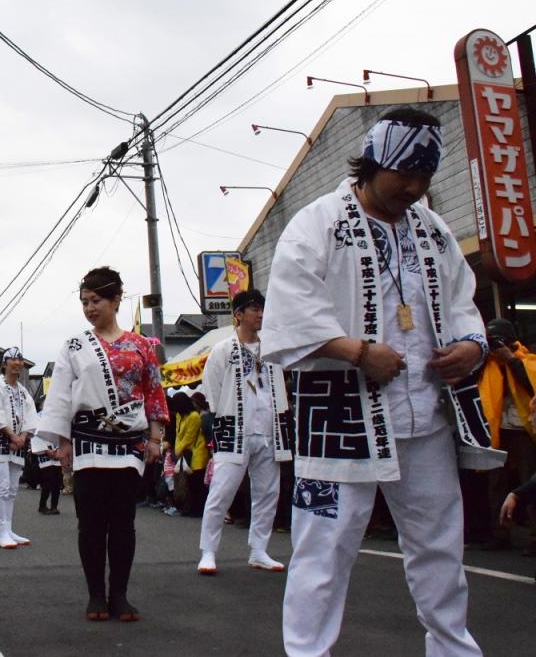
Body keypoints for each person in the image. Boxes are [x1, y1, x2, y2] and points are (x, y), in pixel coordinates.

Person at [262, 107, 502, 657]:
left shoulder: (432, 229)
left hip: (425, 416)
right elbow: (290, 313)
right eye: (403, 175)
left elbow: (464, 302)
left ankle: (452, 649)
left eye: (424, 177)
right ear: (373, 163)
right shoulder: (317, 222)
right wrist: (354, 350)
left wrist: (470, 345)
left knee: (440, 549)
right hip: (342, 415)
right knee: (323, 550)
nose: (414, 188)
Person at [37, 266, 168, 622]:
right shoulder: (75, 346)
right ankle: (96, 594)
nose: (89, 307)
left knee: (123, 522)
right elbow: (61, 396)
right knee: (91, 522)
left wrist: (155, 437)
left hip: (129, 445)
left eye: (96, 300)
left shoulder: (142, 345)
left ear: (115, 300)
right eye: (84, 301)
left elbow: (154, 392)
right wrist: (63, 442)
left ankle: (120, 595)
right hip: (88, 443)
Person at [197, 289, 291, 575]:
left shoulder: (272, 348)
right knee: (221, 491)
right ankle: (208, 551)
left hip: (269, 428)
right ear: (238, 314)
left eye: (263, 309)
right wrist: (222, 416)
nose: (261, 314)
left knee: (267, 492)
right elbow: (211, 389)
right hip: (234, 429)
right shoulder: (223, 349)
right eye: (255, 310)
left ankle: (259, 549)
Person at [477, 318, 536, 553]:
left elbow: (530, 385)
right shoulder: (486, 365)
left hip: (523, 430)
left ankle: (534, 537)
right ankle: (499, 532)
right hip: (496, 431)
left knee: (529, 482)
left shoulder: (527, 361)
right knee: (496, 484)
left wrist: (510, 360)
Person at [0, 347, 38, 548]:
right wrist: (13, 435)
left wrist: (22, 436)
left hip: (18, 442)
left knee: (13, 488)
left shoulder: (23, 391)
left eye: (20, 359)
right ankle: (1, 532)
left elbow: (32, 416)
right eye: (12, 359)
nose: (17, 363)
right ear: (4, 364)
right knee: (2, 486)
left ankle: (9, 529)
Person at [33, 431, 62, 514]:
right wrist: (46, 451)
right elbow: (36, 439)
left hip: (56, 456)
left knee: (57, 483)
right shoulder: (39, 424)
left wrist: (59, 450)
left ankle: (54, 506)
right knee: (47, 483)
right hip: (45, 458)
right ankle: (42, 506)